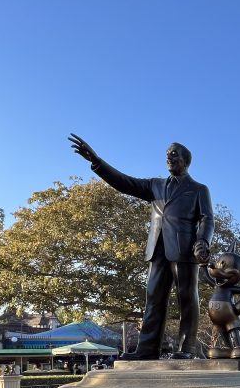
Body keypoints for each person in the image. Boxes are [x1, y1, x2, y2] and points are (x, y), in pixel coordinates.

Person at [70, 134, 214, 359]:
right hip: (157, 249)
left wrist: (203, 242)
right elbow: (125, 183)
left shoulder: (198, 189)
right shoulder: (154, 185)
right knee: (153, 298)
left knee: (186, 298)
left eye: (174, 154)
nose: (169, 157)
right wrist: (97, 162)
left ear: (186, 161)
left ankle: (186, 348)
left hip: (185, 250)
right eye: (167, 154)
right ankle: (147, 350)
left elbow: (207, 218)